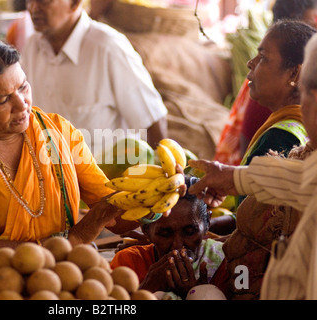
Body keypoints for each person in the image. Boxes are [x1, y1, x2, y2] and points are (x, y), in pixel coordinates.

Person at [0, 33, 161, 258]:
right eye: (2, 100)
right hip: (0, 286)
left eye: (23, 87)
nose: (22, 106)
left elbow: (116, 215)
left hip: (69, 274)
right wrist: (77, 237)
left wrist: (156, 200)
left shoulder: (57, 131)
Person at [186, 32, 317, 300]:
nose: (250, 63)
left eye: (264, 57)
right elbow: (299, 178)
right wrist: (230, 178)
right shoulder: (304, 157)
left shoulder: (284, 137)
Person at [20, 0, 168, 156]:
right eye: (29, 0)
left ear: (75, 3)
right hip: (54, 174)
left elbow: (152, 120)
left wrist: (165, 174)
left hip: (110, 177)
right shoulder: (31, 47)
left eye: (44, 1)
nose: (33, 8)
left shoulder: (108, 47)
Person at [214, 0, 317, 166]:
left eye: (263, 57)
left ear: (294, 73)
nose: (250, 63)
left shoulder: (279, 139)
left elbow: (250, 188)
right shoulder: (302, 127)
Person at [110, 176, 224, 299]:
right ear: (146, 230)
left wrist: (196, 293)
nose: (178, 245)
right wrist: (147, 287)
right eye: (165, 234)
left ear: (207, 223)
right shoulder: (129, 263)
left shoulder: (224, 262)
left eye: (190, 232)